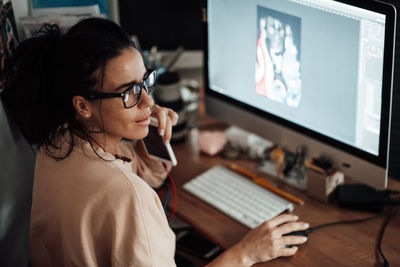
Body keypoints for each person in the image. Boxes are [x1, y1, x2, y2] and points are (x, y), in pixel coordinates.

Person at [1, 17, 309, 266]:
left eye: (145, 82)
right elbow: (126, 188)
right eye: (128, 92)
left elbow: (142, 170)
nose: (149, 101)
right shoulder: (129, 197)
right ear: (83, 105)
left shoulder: (57, 143)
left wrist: (143, 122)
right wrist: (246, 253)